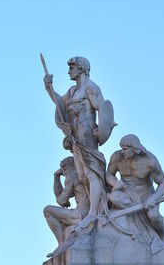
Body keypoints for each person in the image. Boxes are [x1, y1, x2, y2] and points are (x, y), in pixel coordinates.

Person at [43, 57, 110, 228]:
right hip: (76, 139)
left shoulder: (91, 88)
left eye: (71, 68)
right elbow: (60, 103)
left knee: (92, 174)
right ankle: (92, 211)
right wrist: (49, 88)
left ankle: (95, 212)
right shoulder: (72, 91)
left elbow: (103, 109)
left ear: (81, 69)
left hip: (87, 136)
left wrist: (103, 129)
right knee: (82, 176)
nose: (68, 72)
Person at [105, 134, 164, 241]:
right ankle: (135, 227)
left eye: (125, 149)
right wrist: (115, 183)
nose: (122, 151)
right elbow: (109, 174)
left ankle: (161, 236)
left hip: (146, 193)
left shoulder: (150, 161)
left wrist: (154, 198)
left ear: (135, 149)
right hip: (126, 192)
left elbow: (163, 183)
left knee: (154, 216)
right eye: (121, 148)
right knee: (114, 198)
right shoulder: (117, 157)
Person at [44, 157, 89, 246]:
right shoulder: (82, 174)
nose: (63, 172)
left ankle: (61, 244)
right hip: (87, 211)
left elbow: (61, 200)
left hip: (80, 214)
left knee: (47, 210)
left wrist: (56, 176)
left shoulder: (72, 176)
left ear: (71, 166)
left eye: (64, 168)